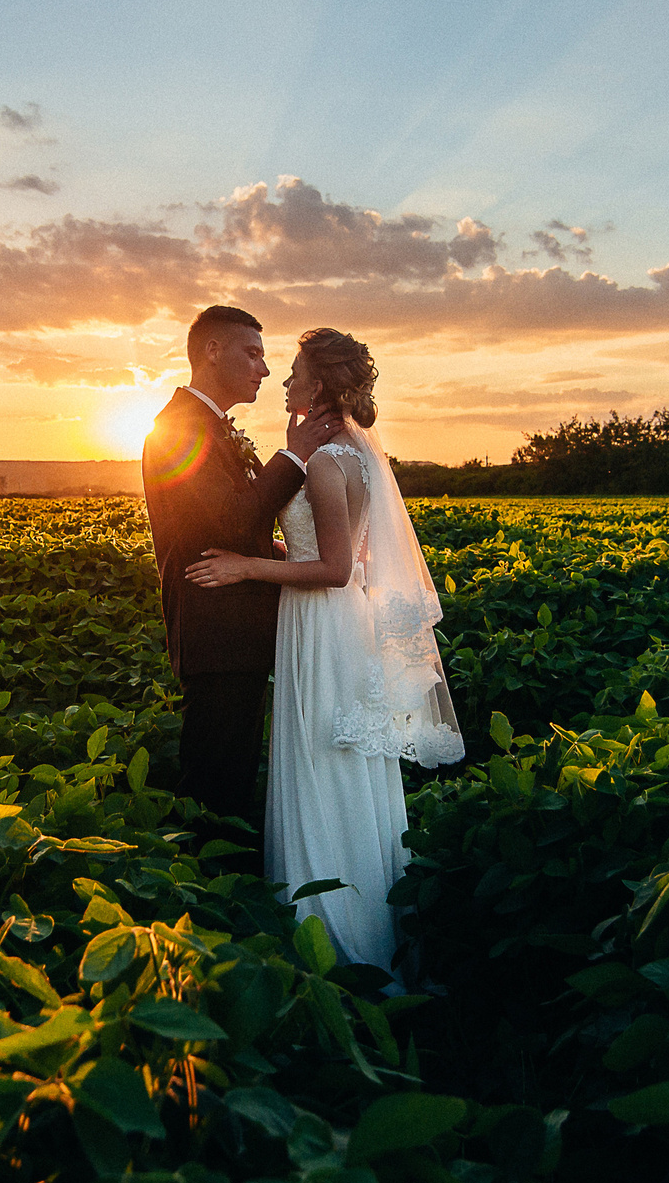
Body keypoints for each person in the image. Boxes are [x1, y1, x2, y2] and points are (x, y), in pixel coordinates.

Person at [183, 328, 463, 975]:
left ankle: (336, 936)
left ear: (319, 384)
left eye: (292, 371)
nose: (282, 381)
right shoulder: (339, 453)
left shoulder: (333, 459)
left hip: (325, 621)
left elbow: (337, 568)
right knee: (326, 762)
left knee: (322, 762)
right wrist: (270, 551)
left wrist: (248, 568)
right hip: (320, 620)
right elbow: (324, 554)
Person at [141, 305, 343, 872]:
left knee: (229, 774)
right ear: (211, 351)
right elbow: (230, 520)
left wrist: (275, 553)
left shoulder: (207, 425)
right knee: (213, 787)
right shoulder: (179, 427)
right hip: (217, 635)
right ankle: (199, 907)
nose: (263, 367)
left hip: (237, 633)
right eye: (252, 352)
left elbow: (227, 529)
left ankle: (213, 895)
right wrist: (295, 455)